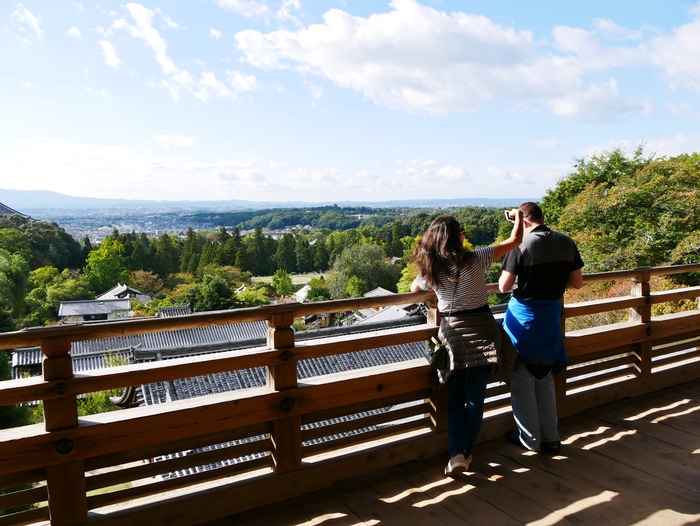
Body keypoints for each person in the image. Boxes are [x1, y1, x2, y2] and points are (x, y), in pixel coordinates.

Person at [411, 211, 523, 477]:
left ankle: (457, 453)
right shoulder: (478, 258)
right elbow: (515, 240)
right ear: (459, 237)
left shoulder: (431, 269)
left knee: (455, 396)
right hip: (484, 330)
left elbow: (415, 290)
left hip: (454, 335)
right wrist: (517, 217)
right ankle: (466, 452)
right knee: (475, 397)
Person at [498, 202, 583, 454]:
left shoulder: (520, 245)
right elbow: (577, 283)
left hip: (523, 318)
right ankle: (551, 438)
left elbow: (503, 286)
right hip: (550, 316)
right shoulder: (566, 242)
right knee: (545, 376)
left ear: (522, 222)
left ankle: (530, 440)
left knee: (521, 376)